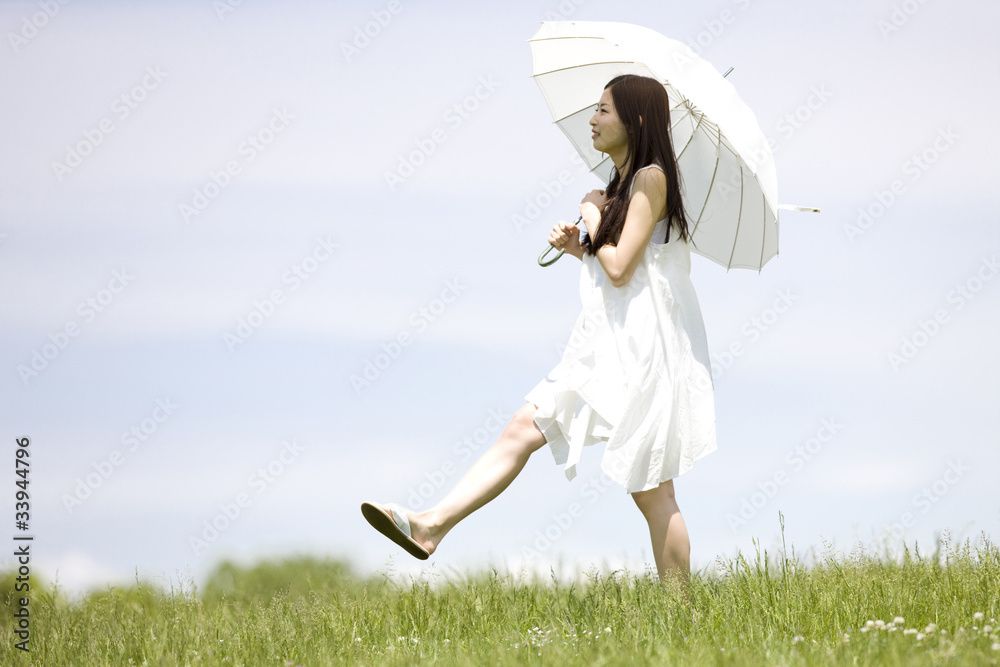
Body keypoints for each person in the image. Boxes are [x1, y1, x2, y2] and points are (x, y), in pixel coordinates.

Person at [362, 74, 717, 586]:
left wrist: (592, 215)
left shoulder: (651, 179)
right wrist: (580, 248)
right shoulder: (624, 185)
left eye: (604, 110)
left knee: (652, 492)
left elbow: (620, 269)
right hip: (606, 346)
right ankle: (429, 526)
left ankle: (682, 616)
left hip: (640, 352)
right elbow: (622, 269)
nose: (592, 120)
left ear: (636, 119)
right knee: (521, 428)